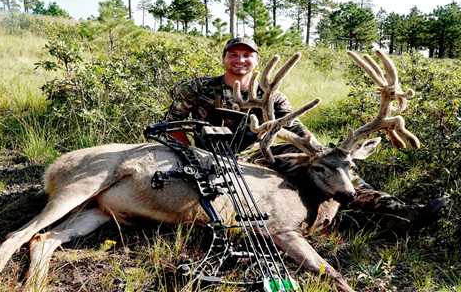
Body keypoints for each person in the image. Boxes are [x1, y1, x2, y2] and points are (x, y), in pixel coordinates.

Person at [164, 37, 445, 231]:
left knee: (326, 167)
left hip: (261, 154)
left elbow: (295, 127)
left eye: (247, 55)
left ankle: (397, 208)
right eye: (234, 55)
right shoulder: (196, 88)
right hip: (211, 159)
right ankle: (349, 221)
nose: (240, 60)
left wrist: (323, 153)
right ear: (224, 58)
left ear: (255, 61)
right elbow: (171, 124)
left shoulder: (271, 96)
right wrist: (189, 154)